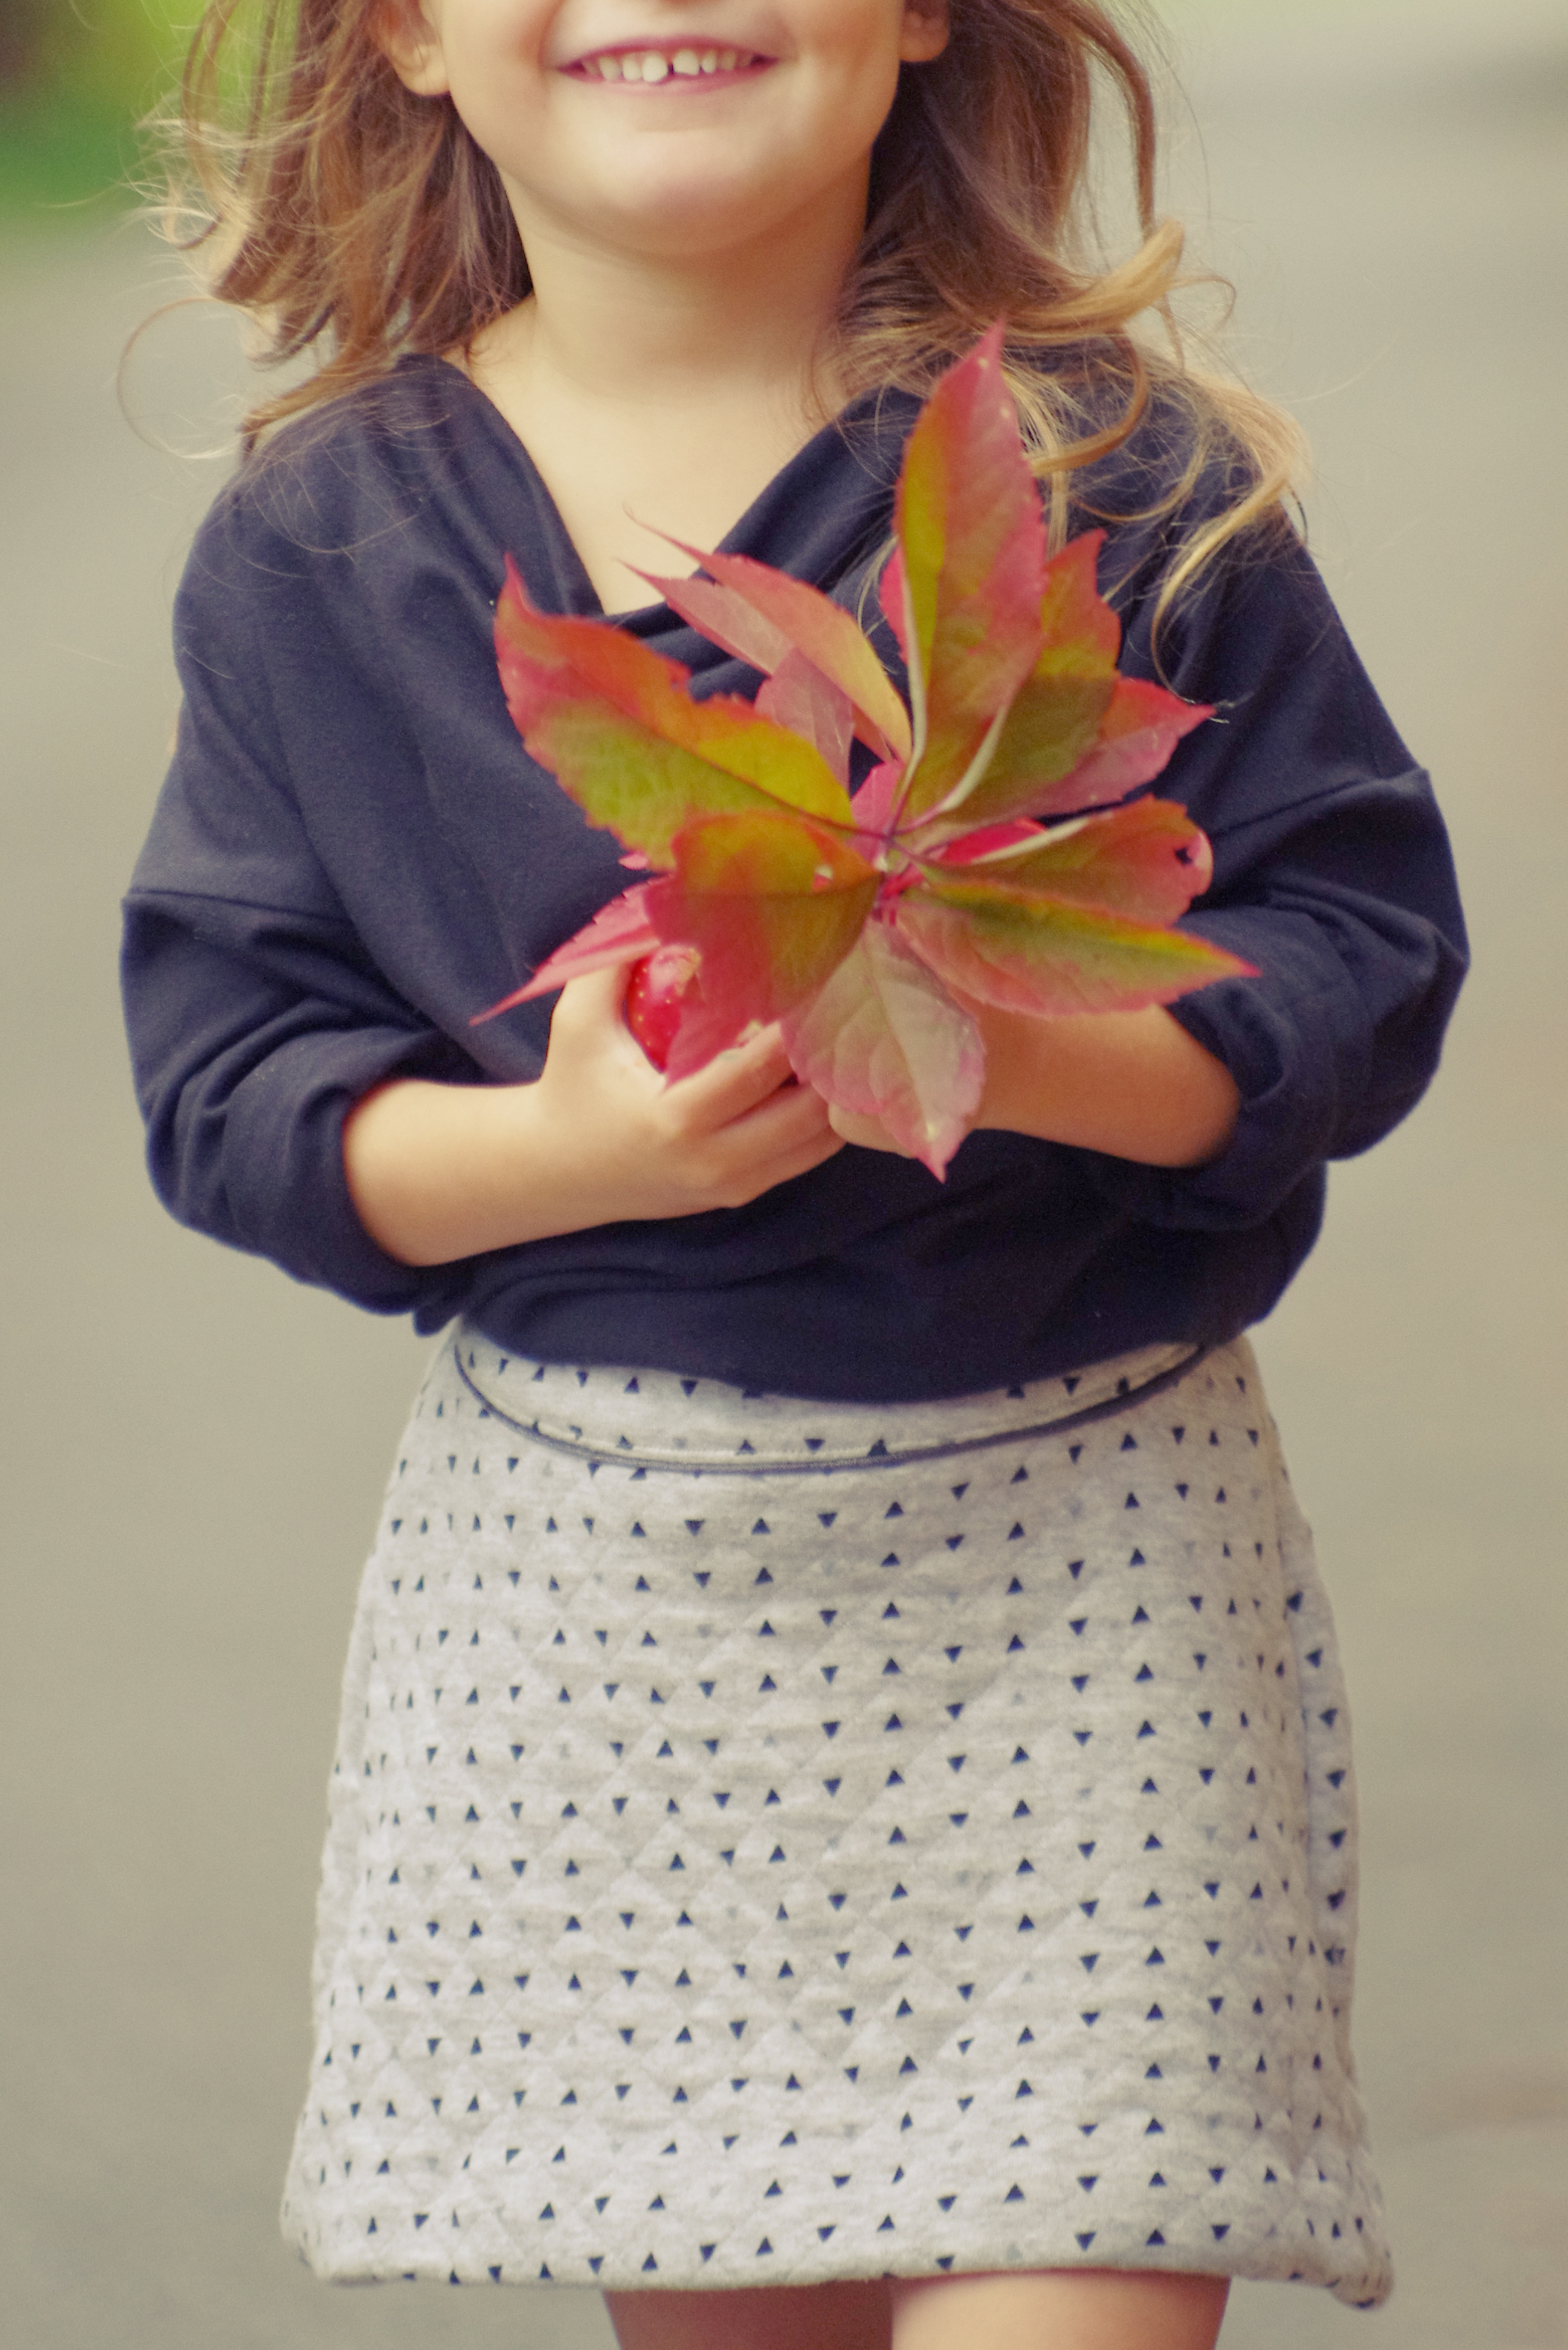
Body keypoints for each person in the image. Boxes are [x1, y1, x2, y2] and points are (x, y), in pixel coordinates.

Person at [121, 2, 1467, 2344]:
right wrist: (566, 1152)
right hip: (618, 1618)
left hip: (1082, 1592)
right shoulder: (318, 553)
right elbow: (233, 1087)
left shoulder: (1099, 475)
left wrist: (1013, 1045)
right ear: (409, 33)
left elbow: (1358, 953)